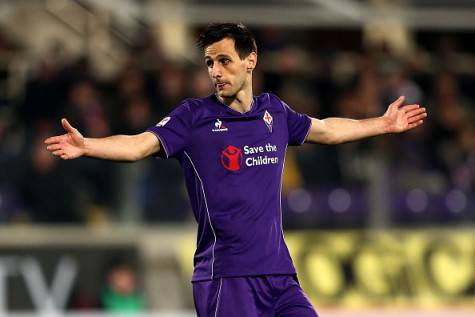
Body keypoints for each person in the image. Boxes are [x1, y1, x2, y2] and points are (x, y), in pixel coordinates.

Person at [45, 23, 427, 317]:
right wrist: (88, 145)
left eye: (224, 60)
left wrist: (382, 124)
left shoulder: (274, 112)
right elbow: (138, 145)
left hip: (279, 275)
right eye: (209, 62)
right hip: (225, 277)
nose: (215, 71)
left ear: (250, 60)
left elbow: (325, 128)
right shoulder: (193, 117)